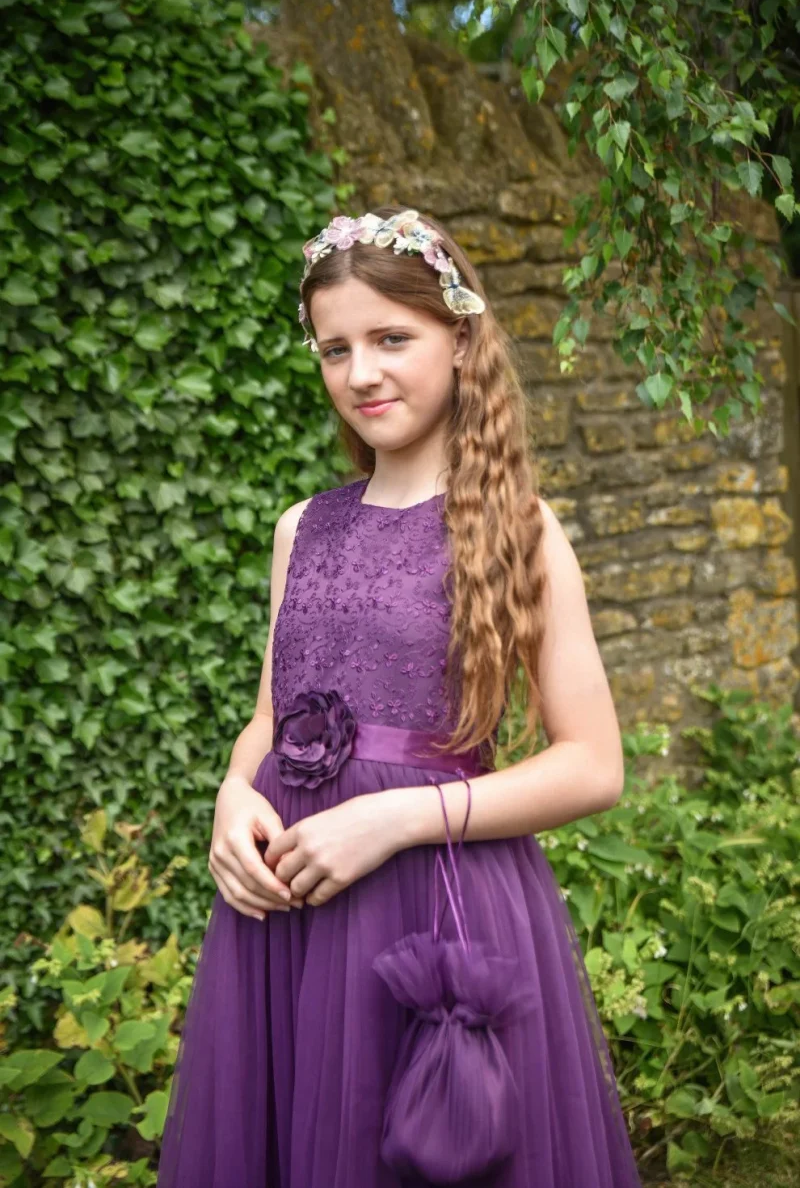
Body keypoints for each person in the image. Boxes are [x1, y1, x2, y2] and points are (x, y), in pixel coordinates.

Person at [157, 205, 644, 1187]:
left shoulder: (516, 530)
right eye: (335, 349)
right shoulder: (302, 528)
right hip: (286, 911)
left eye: (390, 339)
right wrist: (231, 794)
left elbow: (593, 765)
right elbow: (270, 719)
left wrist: (393, 819)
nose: (361, 374)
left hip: (431, 911)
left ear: (459, 340)